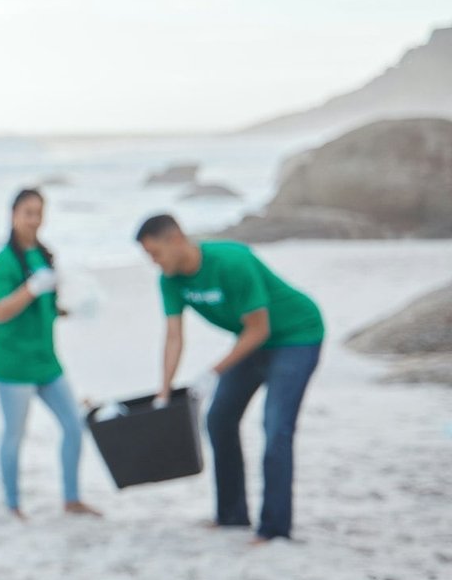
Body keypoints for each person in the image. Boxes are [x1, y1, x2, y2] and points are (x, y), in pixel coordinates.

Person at [134, 214, 324, 542]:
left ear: (176, 239)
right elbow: (174, 336)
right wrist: (163, 392)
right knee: (219, 420)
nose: (154, 262)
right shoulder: (170, 279)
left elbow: (259, 328)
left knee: (276, 427)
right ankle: (232, 515)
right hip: (252, 342)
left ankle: (274, 529)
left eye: (155, 253)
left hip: (296, 336)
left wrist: (212, 372)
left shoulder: (232, 262)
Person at [0, 188, 101, 520]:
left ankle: (72, 499)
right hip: (13, 363)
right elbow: (1, 311)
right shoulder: (3, 261)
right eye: (28, 213)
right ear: (13, 215)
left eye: (39, 212)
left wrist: (72, 308)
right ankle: (13, 504)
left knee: (75, 426)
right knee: (15, 434)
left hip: (46, 361)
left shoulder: (45, 254)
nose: (34, 220)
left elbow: (48, 306)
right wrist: (32, 288)